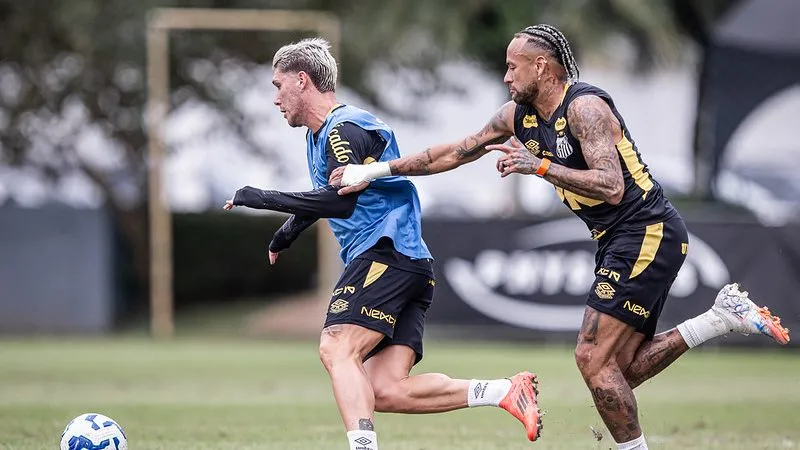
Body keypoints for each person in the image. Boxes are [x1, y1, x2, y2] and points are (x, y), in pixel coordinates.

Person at [330, 24, 791, 450]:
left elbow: (611, 185)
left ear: (541, 67)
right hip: (616, 238)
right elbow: (454, 151)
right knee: (615, 371)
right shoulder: (518, 116)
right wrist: (374, 170)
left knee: (592, 359)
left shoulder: (585, 108)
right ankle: (718, 318)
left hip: (646, 230)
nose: (506, 76)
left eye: (513, 66)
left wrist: (541, 166)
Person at [222, 38, 544, 450]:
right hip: (407, 263)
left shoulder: (344, 129)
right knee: (386, 389)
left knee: (337, 347)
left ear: (302, 81)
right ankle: (502, 392)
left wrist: (261, 197)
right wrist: (287, 233)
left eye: (277, 85)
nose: (274, 98)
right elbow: (329, 193)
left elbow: (341, 201)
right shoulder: (322, 134)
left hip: (384, 254)